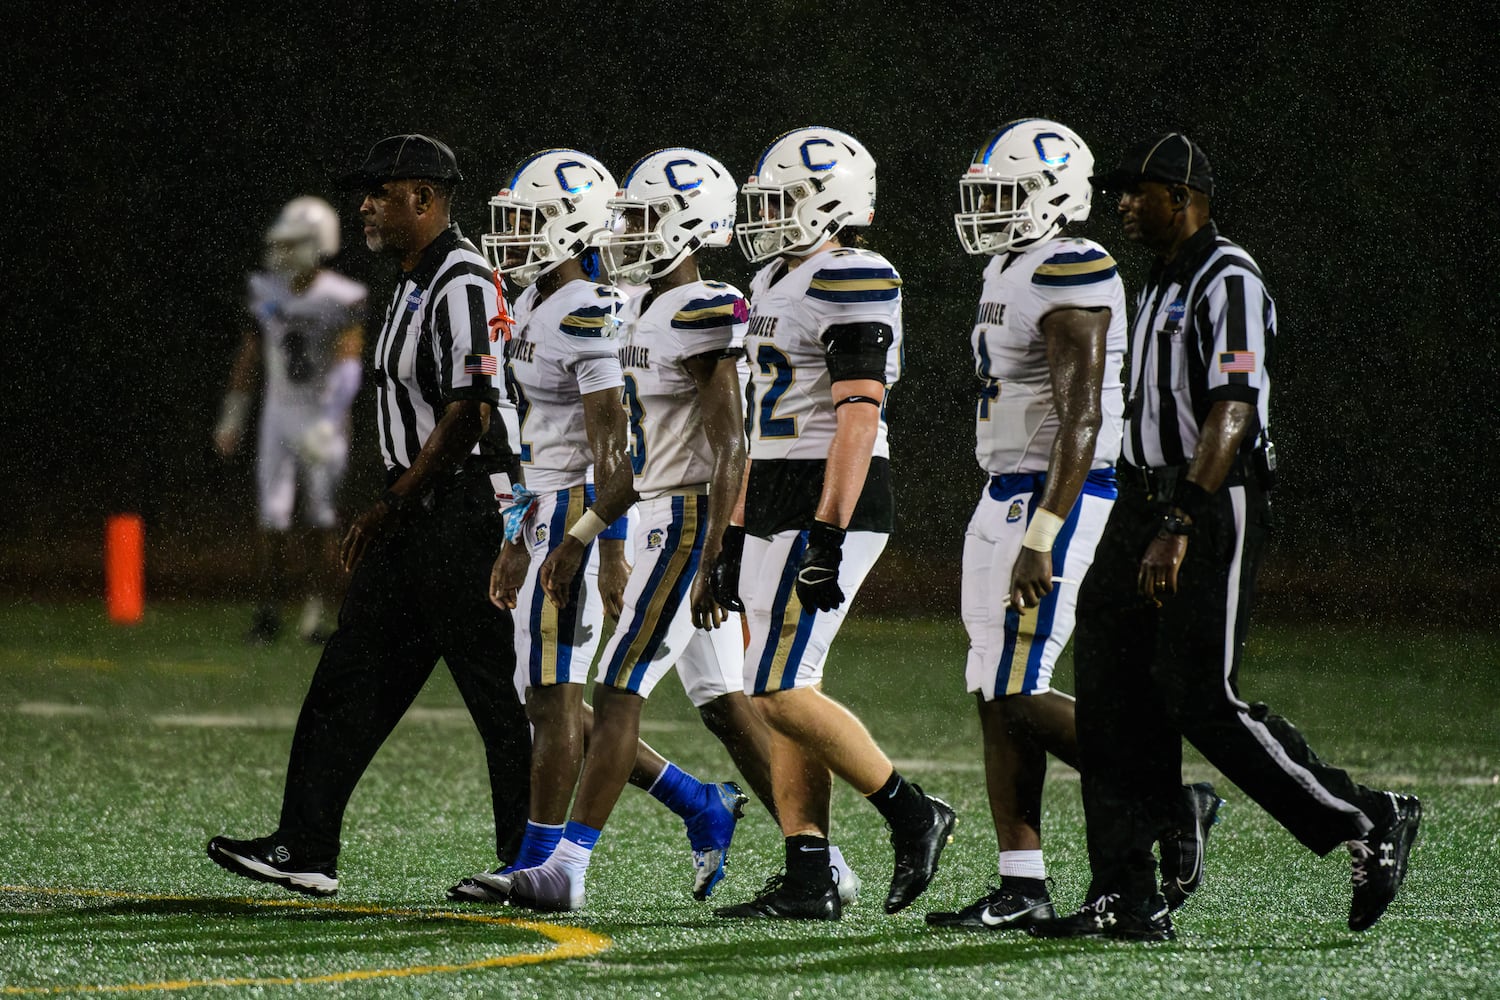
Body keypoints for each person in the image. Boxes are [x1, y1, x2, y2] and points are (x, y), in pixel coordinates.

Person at [1030, 133, 1421, 941]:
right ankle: (1126, 895)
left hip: (1204, 502)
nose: (1124, 204)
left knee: (1200, 695)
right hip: (1140, 500)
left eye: (1140, 191)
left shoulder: (1228, 274)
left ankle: (1368, 814)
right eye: (1122, 191)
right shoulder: (1163, 276)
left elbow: (1233, 408)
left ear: (1185, 195)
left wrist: (1178, 521)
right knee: (1110, 699)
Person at [206, 133, 532, 896]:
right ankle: (306, 844)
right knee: (349, 678)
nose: (366, 207)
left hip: (462, 512)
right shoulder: (416, 280)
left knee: (499, 693)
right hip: (421, 511)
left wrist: (393, 501)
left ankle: (534, 862)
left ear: (423, 198)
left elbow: (469, 414)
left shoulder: (463, 280)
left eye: (380, 194)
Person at [925, 120, 1221, 933]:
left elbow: (1081, 416)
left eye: (1004, 194)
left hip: (1060, 495)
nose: (987, 210)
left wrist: (1045, 530)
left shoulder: (1071, 265)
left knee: (1020, 687)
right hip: (1003, 489)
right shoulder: (1009, 264)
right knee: (991, 689)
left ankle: (1171, 800)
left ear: (1052, 194)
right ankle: (1022, 880)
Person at [445, 148, 743, 908]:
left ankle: (542, 864)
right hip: (546, 512)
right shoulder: (544, 309)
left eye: (524, 224)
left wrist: (601, 545)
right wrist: (517, 534)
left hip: (586, 515)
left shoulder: (590, 314)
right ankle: (695, 801)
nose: (508, 240)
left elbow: (614, 457)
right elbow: (544, 444)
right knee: (546, 696)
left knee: (557, 698)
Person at [710, 127, 954, 922]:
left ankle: (913, 813)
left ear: (833, 203)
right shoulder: (774, 274)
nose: (769, 217)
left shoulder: (855, 272)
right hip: (776, 486)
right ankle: (808, 873)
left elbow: (858, 414)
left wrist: (828, 531)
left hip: (832, 490)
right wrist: (736, 533)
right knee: (775, 686)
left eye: (784, 202)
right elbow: (759, 426)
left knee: (776, 689)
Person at [214, 196, 367, 644]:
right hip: (278, 415)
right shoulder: (266, 290)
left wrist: (332, 420)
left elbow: (348, 363)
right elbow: (250, 356)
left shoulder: (343, 297)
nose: (282, 252)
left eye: (293, 243)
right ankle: (267, 615)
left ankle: (316, 616)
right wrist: (233, 416)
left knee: (322, 517)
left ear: (319, 243)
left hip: (322, 414)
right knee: (273, 518)